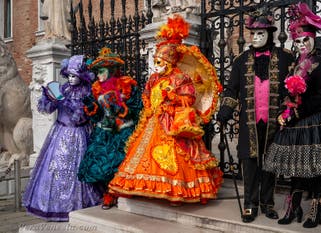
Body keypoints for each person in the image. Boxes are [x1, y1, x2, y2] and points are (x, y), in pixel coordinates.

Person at [106, 15, 223, 206]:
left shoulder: (181, 78)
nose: (157, 66)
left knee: (176, 155)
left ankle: (178, 190)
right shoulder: (153, 79)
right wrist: (150, 105)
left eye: (160, 62)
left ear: (169, 62)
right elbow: (147, 94)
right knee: (144, 154)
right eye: (156, 61)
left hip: (172, 122)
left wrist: (173, 98)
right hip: (153, 120)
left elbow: (189, 98)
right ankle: (147, 188)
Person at [263, 2, 321, 228]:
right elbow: (286, 93)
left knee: (316, 167)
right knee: (295, 167)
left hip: (315, 121)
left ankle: (316, 209)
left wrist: (298, 112)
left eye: (306, 40)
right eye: (298, 41)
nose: (302, 45)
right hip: (295, 123)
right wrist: (285, 111)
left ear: (313, 39)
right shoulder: (294, 66)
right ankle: (294, 207)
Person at [216, 7, 294, 223]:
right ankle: (250, 204)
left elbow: (292, 89)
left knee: (270, 163)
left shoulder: (285, 58)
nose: (257, 37)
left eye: (261, 33)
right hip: (249, 122)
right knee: (249, 163)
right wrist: (225, 112)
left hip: (274, 122)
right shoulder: (241, 60)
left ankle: (268, 203)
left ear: (269, 34)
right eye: (254, 34)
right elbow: (232, 89)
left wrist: (289, 111)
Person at [22, 55, 102, 221]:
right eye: (70, 75)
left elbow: (82, 117)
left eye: (75, 76)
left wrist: (67, 103)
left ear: (82, 76)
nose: (71, 79)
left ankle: (77, 206)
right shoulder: (64, 89)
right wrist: (49, 98)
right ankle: (52, 205)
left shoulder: (88, 92)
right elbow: (49, 108)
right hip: (59, 134)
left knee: (77, 170)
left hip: (78, 136)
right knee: (54, 168)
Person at [77, 47, 142, 209]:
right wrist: (91, 105)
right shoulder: (96, 88)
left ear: (111, 70)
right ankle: (108, 193)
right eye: (97, 72)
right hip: (104, 132)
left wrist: (122, 109)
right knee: (100, 163)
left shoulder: (127, 85)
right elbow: (97, 115)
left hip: (123, 131)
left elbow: (138, 109)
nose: (98, 75)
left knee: (120, 162)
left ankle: (122, 193)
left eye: (101, 71)